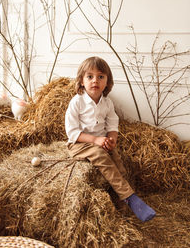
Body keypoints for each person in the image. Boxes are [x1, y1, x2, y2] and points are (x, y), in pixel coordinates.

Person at [65, 56, 156, 222]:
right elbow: (72, 133)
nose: (95, 81)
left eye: (101, 77)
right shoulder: (77, 102)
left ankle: (126, 201)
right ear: (81, 81)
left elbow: (113, 124)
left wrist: (111, 139)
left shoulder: (107, 103)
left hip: (100, 142)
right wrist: (96, 140)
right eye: (90, 76)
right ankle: (131, 198)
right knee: (101, 157)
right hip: (79, 144)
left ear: (107, 82)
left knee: (116, 159)